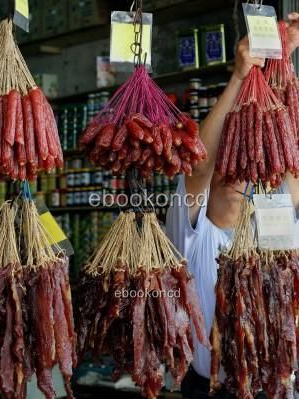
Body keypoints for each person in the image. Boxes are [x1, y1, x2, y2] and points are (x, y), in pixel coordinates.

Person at [166, 13, 299, 399]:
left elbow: (288, 155)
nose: (240, 179)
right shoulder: (193, 231)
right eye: (230, 174)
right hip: (214, 388)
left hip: (278, 386)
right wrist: (239, 77)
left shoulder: (277, 212)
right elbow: (200, 163)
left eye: (246, 171)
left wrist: (281, 61)